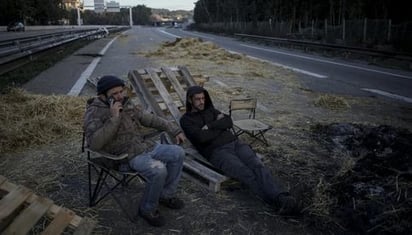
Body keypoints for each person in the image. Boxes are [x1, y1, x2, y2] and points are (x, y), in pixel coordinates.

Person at [84, 75, 186, 227]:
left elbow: (149, 119)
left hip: (143, 146)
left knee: (178, 152)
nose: (120, 96)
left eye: (121, 91)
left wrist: (174, 129)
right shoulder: (94, 112)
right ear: (102, 96)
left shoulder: (127, 104)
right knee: (158, 170)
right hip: (123, 156)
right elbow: (94, 144)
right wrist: (114, 118)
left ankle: (165, 195)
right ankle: (147, 209)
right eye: (115, 94)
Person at [180, 86, 298, 215]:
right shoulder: (186, 120)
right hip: (217, 152)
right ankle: (277, 200)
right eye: (198, 99)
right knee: (245, 173)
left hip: (236, 144)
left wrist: (210, 126)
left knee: (257, 165)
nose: (202, 102)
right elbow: (201, 138)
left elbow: (229, 122)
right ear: (190, 100)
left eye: (203, 98)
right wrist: (220, 126)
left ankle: (281, 196)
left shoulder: (211, 110)